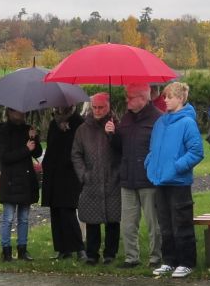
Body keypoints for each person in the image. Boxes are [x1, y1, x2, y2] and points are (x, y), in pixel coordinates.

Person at [145, 80, 204, 278]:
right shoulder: (160, 122)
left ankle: (186, 262)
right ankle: (169, 260)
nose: (166, 101)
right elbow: (153, 148)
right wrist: (150, 163)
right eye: (165, 97)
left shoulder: (188, 123)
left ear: (180, 98)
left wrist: (177, 167)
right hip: (160, 180)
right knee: (165, 224)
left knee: (181, 223)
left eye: (170, 97)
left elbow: (196, 152)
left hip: (179, 182)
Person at [111, 84, 160, 267]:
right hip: (128, 178)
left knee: (153, 223)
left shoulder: (157, 119)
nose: (126, 100)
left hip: (149, 179)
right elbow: (120, 146)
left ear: (142, 98)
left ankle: (156, 257)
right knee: (128, 223)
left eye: (130, 97)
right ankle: (132, 257)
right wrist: (112, 135)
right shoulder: (126, 118)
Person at [70, 93, 121, 265]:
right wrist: (83, 174)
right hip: (91, 180)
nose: (97, 111)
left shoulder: (116, 125)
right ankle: (92, 253)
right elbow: (76, 154)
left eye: (101, 107)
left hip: (112, 179)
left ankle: (110, 253)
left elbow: (123, 150)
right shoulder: (83, 130)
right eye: (95, 107)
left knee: (113, 219)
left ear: (108, 107)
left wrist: (112, 134)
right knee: (92, 219)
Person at [0, 107, 40, 262]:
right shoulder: (3, 131)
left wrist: (34, 139)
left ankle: (22, 249)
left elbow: (37, 153)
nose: (20, 114)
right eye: (17, 112)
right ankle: (6, 250)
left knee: (24, 218)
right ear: (9, 113)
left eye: (22, 112)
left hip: (26, 180)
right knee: (8, 217)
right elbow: (5, 156)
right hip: (11, 180)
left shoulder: (28, 129)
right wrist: (25, 149)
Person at [41, 106, 83, 259]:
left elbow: (77, 147)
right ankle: (62, 249)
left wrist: (66, 130)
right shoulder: (54, 123)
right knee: (56, 211)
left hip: (69, 173)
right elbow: (52, 146)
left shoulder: (77, 121)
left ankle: (78, 247)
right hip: (53, 173)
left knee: (67, 210)